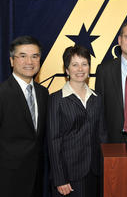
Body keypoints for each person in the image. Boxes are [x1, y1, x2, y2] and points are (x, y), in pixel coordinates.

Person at [47, 44, 107, 197]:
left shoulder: (97, 98)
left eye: (84, 64)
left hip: (94, 172)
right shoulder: (56, 99)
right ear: (67, 70)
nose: (80, 69)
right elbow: (54, 141)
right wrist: (60, 178)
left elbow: (102, 136)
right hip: (68, 176)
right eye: (75, 65)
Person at [0, 36, 49, 197]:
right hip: (7, 180)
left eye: (35, 56)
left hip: (36, 179)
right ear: (12, 61)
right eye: (22, 56)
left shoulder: (43, 93)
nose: (29, 61)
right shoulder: (2, 94)